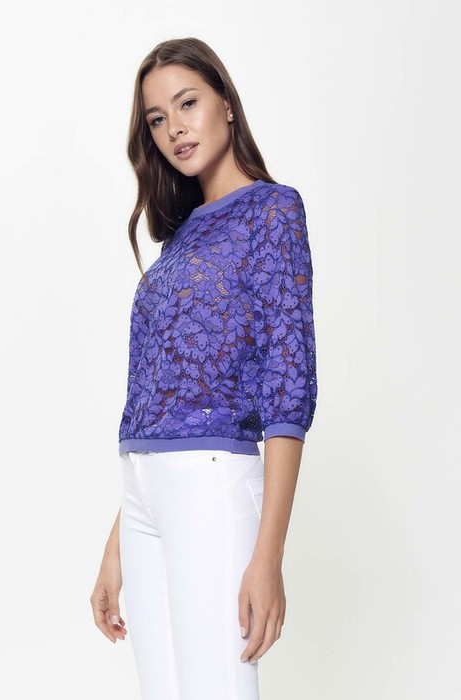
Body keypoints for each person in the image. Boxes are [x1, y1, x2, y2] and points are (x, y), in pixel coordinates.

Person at [90, 36, 318, 700]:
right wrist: (117, 544)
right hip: (144, 493)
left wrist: (268, 557)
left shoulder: (273, 211)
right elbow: (160, 392)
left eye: (187, 103)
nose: (174, 129)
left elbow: (288, 385)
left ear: (226, 103)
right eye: (157, 119)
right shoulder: (180, 237)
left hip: (211, 488)